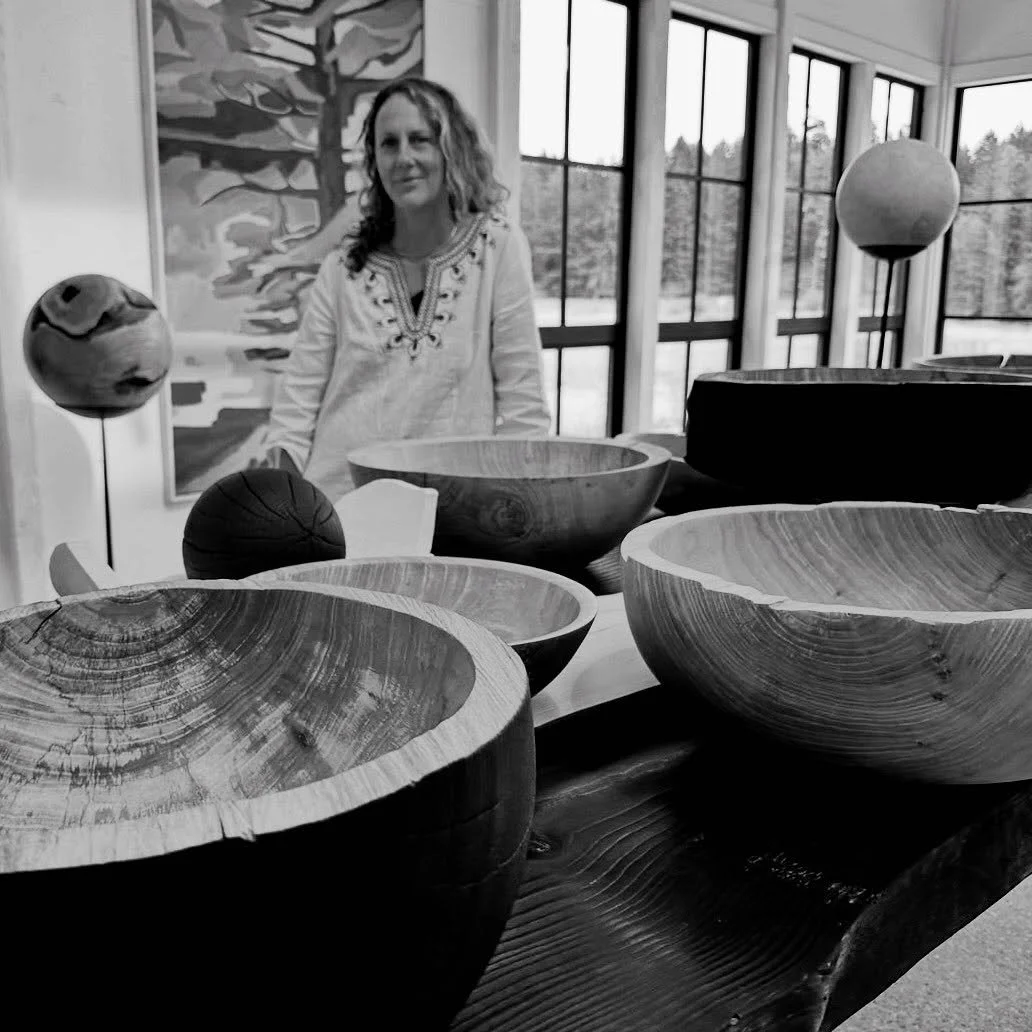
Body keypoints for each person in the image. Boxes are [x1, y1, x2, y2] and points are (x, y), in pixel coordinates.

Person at [259, 76, 551, 502]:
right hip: (339, 506)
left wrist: (514, 508)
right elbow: (298, 397)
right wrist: (281, 503)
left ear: (452, 150)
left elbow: (523, 401)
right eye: (389, 144)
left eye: (421, 139)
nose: (404, 157)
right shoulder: (342, 268)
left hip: (453, 510)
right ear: (374, 161)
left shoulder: (497, 247)